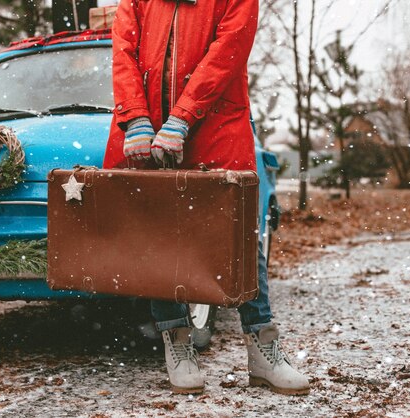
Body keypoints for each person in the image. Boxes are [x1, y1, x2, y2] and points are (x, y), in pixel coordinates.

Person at [103, 0, 310, 395]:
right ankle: (177, 343)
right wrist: (136, 117)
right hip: (147, 130)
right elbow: (123, 52)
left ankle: (263, 350)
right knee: (159, 236)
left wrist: (182, 117)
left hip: (215, 124)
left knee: (239, 238)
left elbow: (226, 54)